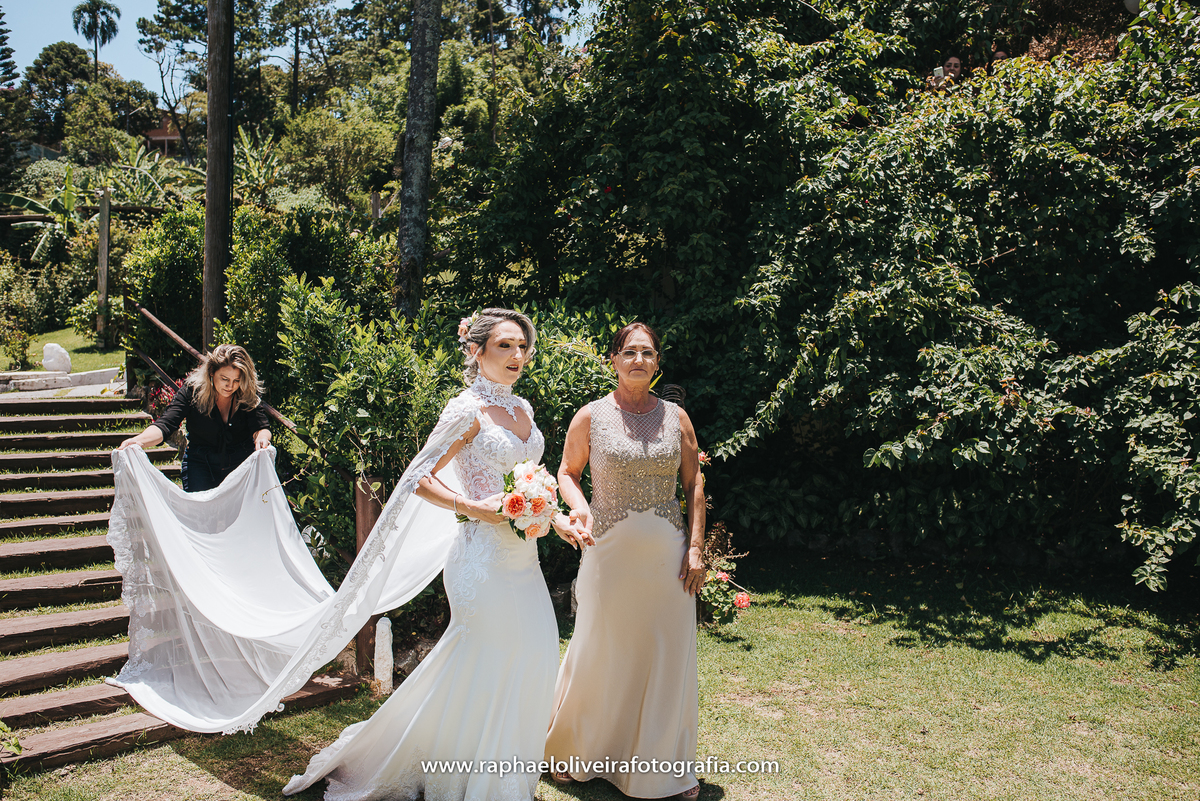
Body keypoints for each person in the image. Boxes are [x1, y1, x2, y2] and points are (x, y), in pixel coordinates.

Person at [283, 308, 590, 801]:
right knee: (488, 658)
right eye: (506, 345)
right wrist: (471, 507)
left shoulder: (524, 409)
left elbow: (529, 484)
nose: (518, 355)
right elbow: (418, 478)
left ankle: (499, 773)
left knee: (531, 653)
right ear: (477, 351)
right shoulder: (466, 411)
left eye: (523, 347)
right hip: (480, 561)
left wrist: (556, 520)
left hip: (523, 558)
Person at [545, 321, 706, 800]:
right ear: (613, 360)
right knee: (601, 648)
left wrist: (696, 548)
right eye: (629, 352)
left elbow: (694, 483)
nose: (638, 360)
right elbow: (567, 472)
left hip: (668, 558)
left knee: (665, 655)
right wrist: (579, 508)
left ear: (658, 363)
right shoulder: (590, 416)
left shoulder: (677, 418)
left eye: (647, 352)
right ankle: (577, 751)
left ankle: (663, 769)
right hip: (607, 553)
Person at [117, 344, 271, 492]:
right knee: (201, 509)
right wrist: (139, 440)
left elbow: (261, 427)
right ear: (211, 372)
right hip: (200, 465)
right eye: (224, 379)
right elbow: (166, 424)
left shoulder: (246, 393)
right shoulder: (192, 391)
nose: (230, 386)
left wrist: (262, 439)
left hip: (240, 465)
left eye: (236, 380)